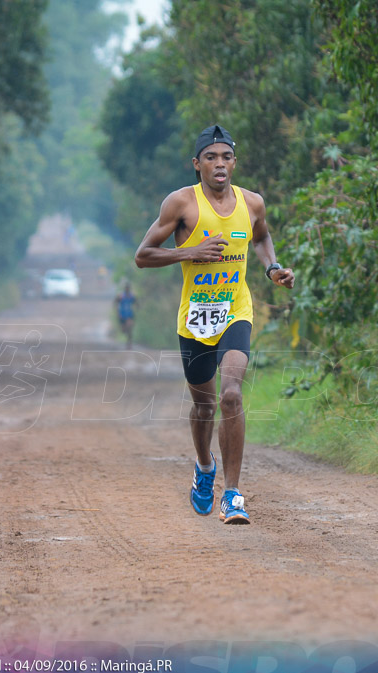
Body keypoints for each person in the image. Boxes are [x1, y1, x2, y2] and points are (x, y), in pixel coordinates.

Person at [134, 124, 295, 524]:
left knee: (232, 395)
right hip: (194, 320)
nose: (219, 164)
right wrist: (190, 251)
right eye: (211, 157)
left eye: (226, 157)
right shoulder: (181, 204)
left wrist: (271, 267)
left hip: (235, 311)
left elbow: (261, 238)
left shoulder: (252, 202)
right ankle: (204, 466)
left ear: (234, 162)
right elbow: (143, 255)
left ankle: (233, 494)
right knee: (204, 406)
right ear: (197, 164)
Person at [115, 283, 136, 350]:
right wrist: (118, 312)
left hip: (129, 315)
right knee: (123, 330)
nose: (127, 290)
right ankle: (125, 332)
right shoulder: (121, 296)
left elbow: (136, 302)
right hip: (123, 315)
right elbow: (116, 302)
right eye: (126, 288)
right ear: (125, 289)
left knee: (130, 330)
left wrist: (138, 306)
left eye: (128, 288)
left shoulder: (131, 296)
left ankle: (129, 344)